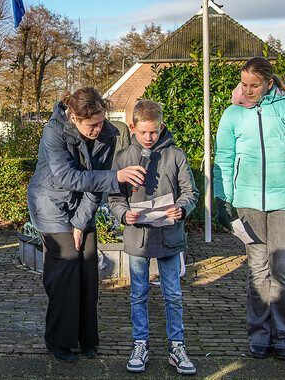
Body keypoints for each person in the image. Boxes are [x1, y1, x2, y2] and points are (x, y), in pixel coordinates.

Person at [27, 87, 147, 363]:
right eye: (92, 125)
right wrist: (116, 176)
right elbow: (68, 177)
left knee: (88, 267)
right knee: (66, 269)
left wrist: (81, 221)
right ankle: (59, 341)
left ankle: (87, 338)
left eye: (102, 122)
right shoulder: (53, 132)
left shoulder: (107, 134)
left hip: (84, 203)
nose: (98, 129)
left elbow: (96, 182)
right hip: (50, 204)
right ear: (75, 118)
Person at [213, 57, 285, 360]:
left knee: (282, 269)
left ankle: (284, 334)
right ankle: (259, 333)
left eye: (254, 86)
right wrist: (222, 199)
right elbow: (224, 157)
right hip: (248, 203)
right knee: (258, 271)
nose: (246, 91)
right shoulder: (232, 115)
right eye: (244, 84)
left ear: (268, 83)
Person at [108, 100, 199, 375]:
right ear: (133, 128)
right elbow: (114, 196)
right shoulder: (123, 159)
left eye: (154, 132)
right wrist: (124, 214)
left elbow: (190, 192)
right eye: (144, 132)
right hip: (138, 238)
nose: (149, 138)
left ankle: (177, 346)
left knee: (173, 294)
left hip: (170, 236)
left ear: (161, 127)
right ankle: (140, 343)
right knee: (138, 294)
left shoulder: (176, 155)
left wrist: (182, 208)